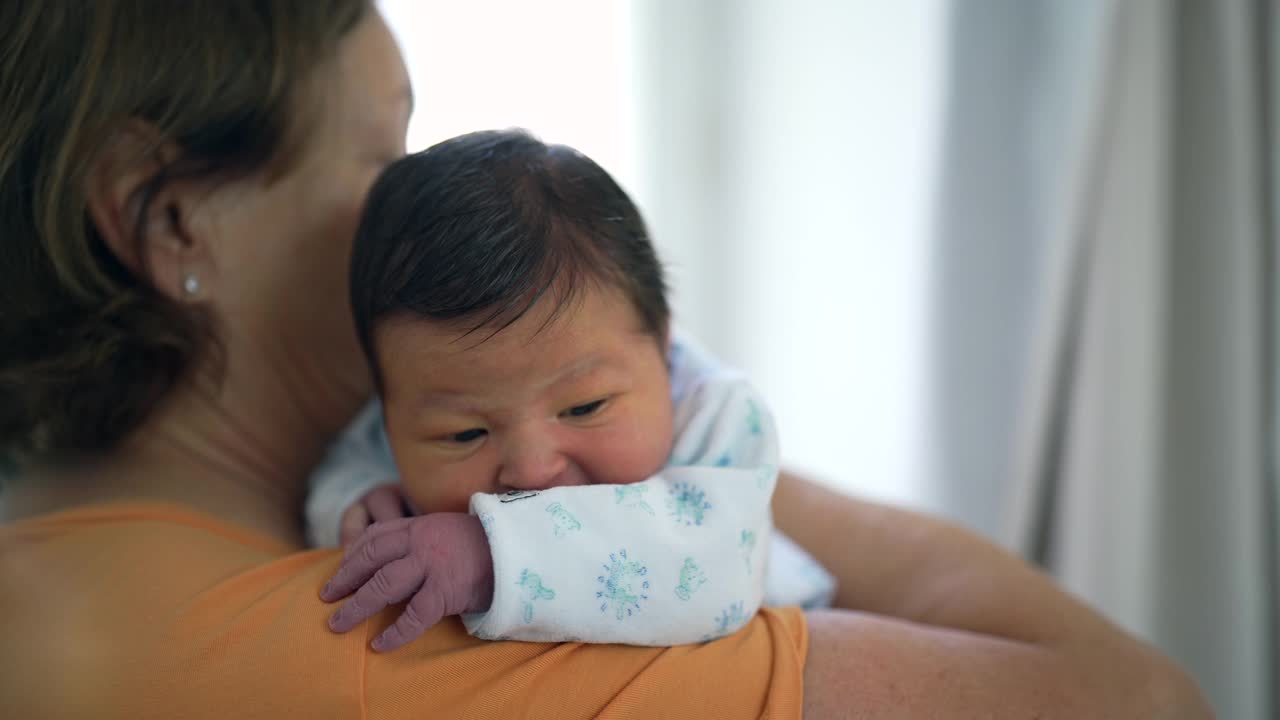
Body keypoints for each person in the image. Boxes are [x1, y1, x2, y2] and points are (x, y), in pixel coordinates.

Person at [0, 2, 1212, 718]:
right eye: (380, 157)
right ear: (168, 222)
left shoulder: (80, 566)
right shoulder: (372, 626)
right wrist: (671, 432)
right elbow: (1129, 697)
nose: (423, 215)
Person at [309, 129, 835, 651]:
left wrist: (494, 556)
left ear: (663, 348)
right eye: (464, 433)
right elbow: (345, 465)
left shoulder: (717, 415)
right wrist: (357, 500)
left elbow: (712, 564)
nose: (533, 470)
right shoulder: (402, 416)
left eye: (584, 407)